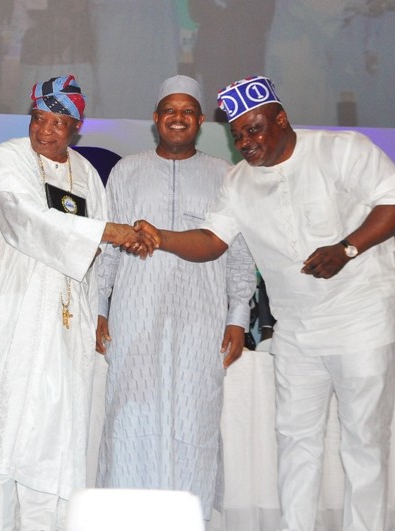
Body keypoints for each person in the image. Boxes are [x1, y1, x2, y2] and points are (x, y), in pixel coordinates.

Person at [137, 75, 395, 530]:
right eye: (237, 134)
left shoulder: (341, 149)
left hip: (361, 319)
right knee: (295, 439)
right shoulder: (238, 182)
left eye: (254, 128)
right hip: (297, 331)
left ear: (280, 119)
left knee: (364, 441)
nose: (245, 141)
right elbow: (212, 239)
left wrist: (346, 249)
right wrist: (160, 237)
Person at [0, 75, 153, 530]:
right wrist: (105, 231)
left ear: (75, 127)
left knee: (54, 436)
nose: (45, 131)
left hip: (64, 325)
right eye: (39, 119)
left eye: (58, 122)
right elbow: (21, 218)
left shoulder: (85, 174)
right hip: (5, 319)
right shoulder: (4, 160)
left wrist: (99, 308)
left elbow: (98, 256)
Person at [93, 75, 257, 521]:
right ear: (156, 119)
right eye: (170, 110)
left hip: (200, 320)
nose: (178, 118)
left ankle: (189, 520)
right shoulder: (127, 171)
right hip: (135, 314)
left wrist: (237, 315)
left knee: (195, 421)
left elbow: (240, 254)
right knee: (129, 418)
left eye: (188, 111)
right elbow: (108, 246)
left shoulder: (225, 176)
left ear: (201, 121)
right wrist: (100, 308)